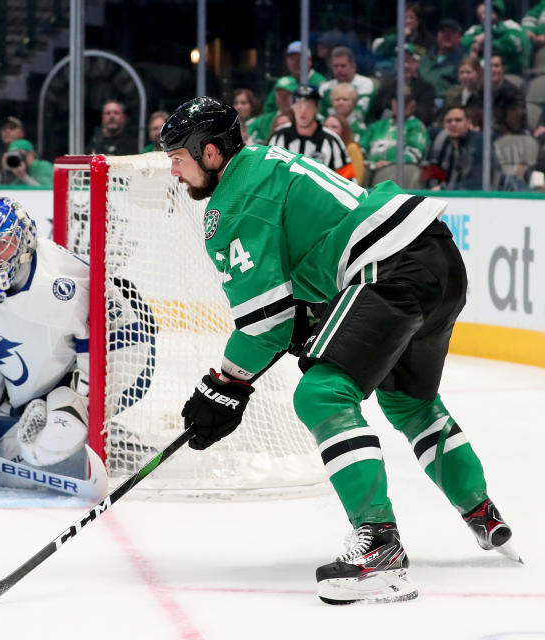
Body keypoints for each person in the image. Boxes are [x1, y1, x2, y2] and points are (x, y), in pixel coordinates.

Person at [160, 96, 519, 605]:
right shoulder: (266, 164)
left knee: (321, 394)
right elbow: (304, 281)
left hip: (388, 266)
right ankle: (481, 511)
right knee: (409, 401)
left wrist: (224, 383)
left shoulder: (232, 203)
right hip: (436, 254)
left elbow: (266, 321)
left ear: (211, 152)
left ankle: (381, 548)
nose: (174, 172)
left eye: (178, 157)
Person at [0, 197, 146, 492]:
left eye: (1, 244)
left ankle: (97, 432)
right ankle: (56, 417)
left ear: (25, 240)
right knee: (16, 441)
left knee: (50, 443)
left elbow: (106, 339)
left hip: (121, 349)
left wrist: (83, 400)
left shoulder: (63, 281)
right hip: (51, 371)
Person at [268, 84, 355, 180]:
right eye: (299, 105)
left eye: (308, 106)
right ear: (292, 107)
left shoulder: (332, 140)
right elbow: (267, 172)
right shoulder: (278, 136)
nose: (303, 111)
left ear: (316, 109)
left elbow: (348, 180)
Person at [362, 87, 431, 185]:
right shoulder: (377, 126)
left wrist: (390, 163)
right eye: (398, 102)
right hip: (370, 168)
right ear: (392, 103)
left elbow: (414, 153)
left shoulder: (416, 126)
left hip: (395, 171)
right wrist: (371, 164)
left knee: (389, 173)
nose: (401, 106)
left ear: (413, 105)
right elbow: (361, 148)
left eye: (405, 103)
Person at [420, 106, 488, 190]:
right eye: (449, 121)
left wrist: (443, 188)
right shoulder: (439, 143)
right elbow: (429, 175)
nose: (453, 124)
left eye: (458, 120)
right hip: (442, 197)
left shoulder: (479, 143)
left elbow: (477, 182)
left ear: (468, 122)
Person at [462, 0, 531, 74]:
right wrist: (475, 40)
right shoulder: (476, 29)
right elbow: (462, 42)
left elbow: (517, 45)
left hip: (509, 71)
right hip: (482, 74)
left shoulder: (509, 25)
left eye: (485, 12)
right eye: (480, 15)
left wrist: (491, 41)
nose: (483, 17)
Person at [262, 41, 327, 114]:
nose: (296, 62)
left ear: (309, 60)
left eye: (300, 58)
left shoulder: (320, 83)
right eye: (292, 58)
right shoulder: (283, 82)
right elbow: (269, 110)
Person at [319, 46, 376, 124]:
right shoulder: (325, 87)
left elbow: (360, 114)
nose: (339, 70)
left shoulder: (365, 84)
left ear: (353, 66)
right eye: (335, 66)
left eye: (343, 66)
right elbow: (321, 115)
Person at [420, 19, 466, 99]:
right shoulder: (425, 58)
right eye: (443, 32)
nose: (447, 35)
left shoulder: (464, 61)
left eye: (451, 33)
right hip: (420, 100)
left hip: (445, 102)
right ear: (437, 35)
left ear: (459, 37)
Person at [246, 76, 295, 145]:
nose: (282, 99)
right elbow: (246, 132)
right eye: (279, 95)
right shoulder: (265, 120)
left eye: (287, 95)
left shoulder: (302, 118)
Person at [324, 114, 364, 185]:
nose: (329, 130)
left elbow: (357, 180)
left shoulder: (352, 148)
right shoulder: (324, 149)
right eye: (326, 126)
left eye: (334, 127)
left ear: (344, 130)